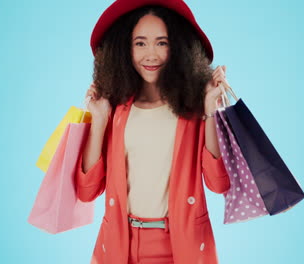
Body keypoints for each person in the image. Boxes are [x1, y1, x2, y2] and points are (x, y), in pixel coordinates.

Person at [75, 0, 230, 263]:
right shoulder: (115, 109)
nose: (151, 54)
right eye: (140, 43)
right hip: (119, 246)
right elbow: (86, 191)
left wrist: (210, 109)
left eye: (162, 42)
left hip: (183, 246)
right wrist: (99, 120)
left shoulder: (192, 111)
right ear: (125, 48)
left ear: (178, 47)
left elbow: (218, 183)